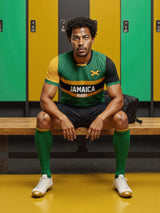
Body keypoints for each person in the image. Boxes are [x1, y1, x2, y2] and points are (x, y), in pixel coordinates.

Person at [32, 17, 132, 198]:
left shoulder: (105, 62)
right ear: (70, 40)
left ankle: (120, 176)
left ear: (92, 39)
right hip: (68, 108)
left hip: (95, 108)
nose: (80, 42)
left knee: (122, 118)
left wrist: (101, 118)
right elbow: (45, 99)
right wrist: (62, 118)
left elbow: (118, 99)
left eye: (85, 37)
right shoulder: (58, 62)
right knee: (42, 118)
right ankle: (46, 175)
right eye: (76, 38)